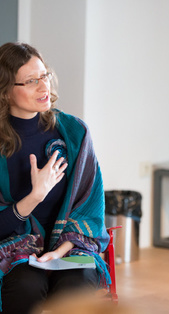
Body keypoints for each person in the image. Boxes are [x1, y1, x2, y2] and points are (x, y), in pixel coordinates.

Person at [0, 42, 110, 314]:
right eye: (30, 81)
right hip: (14, 252)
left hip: (69, 249)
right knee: (26, 285)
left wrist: (59, 252)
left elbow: (90, 208)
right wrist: (35, 196)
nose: (43, 87)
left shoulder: (74, 133)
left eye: (44, 76)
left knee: (79, 280)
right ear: (5, 91)